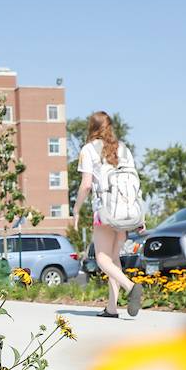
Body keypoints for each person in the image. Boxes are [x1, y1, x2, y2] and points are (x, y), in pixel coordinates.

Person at [73, 111, 143, 318]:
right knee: (114, 259)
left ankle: (131, 288)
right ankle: (112, 308)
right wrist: (141, 219)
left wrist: (76, 209)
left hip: (105, 212)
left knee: (102, 259)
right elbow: (135, 184)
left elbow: (86, 185)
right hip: (127, 212)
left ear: (91, 128)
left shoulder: (88, 149)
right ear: (110, 126)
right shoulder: (124, 149)